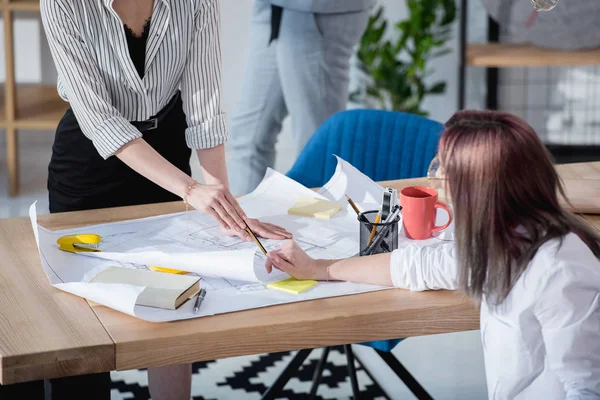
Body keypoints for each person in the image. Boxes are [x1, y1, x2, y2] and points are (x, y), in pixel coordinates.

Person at [40, 0, 290, 398]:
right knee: (85, 318)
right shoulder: (63, 3)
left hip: (167, 153)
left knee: (174, 298)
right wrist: (192, 190)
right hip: (89, 163)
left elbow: (204, 105)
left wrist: (222, 204)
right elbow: (100, 120)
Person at [265, 110, 600, 399]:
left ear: (478, 188)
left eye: (444, 169)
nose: (436, 176)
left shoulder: (561, 272)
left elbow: (587, 390)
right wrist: (320, 268)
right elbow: (415, 265)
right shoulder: (499, 241)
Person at [228, 0, 374, 195]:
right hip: (273, 8)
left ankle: (321, 224)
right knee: (248, 138)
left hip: (318, 10)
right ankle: (245, 221)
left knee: (316, 151)